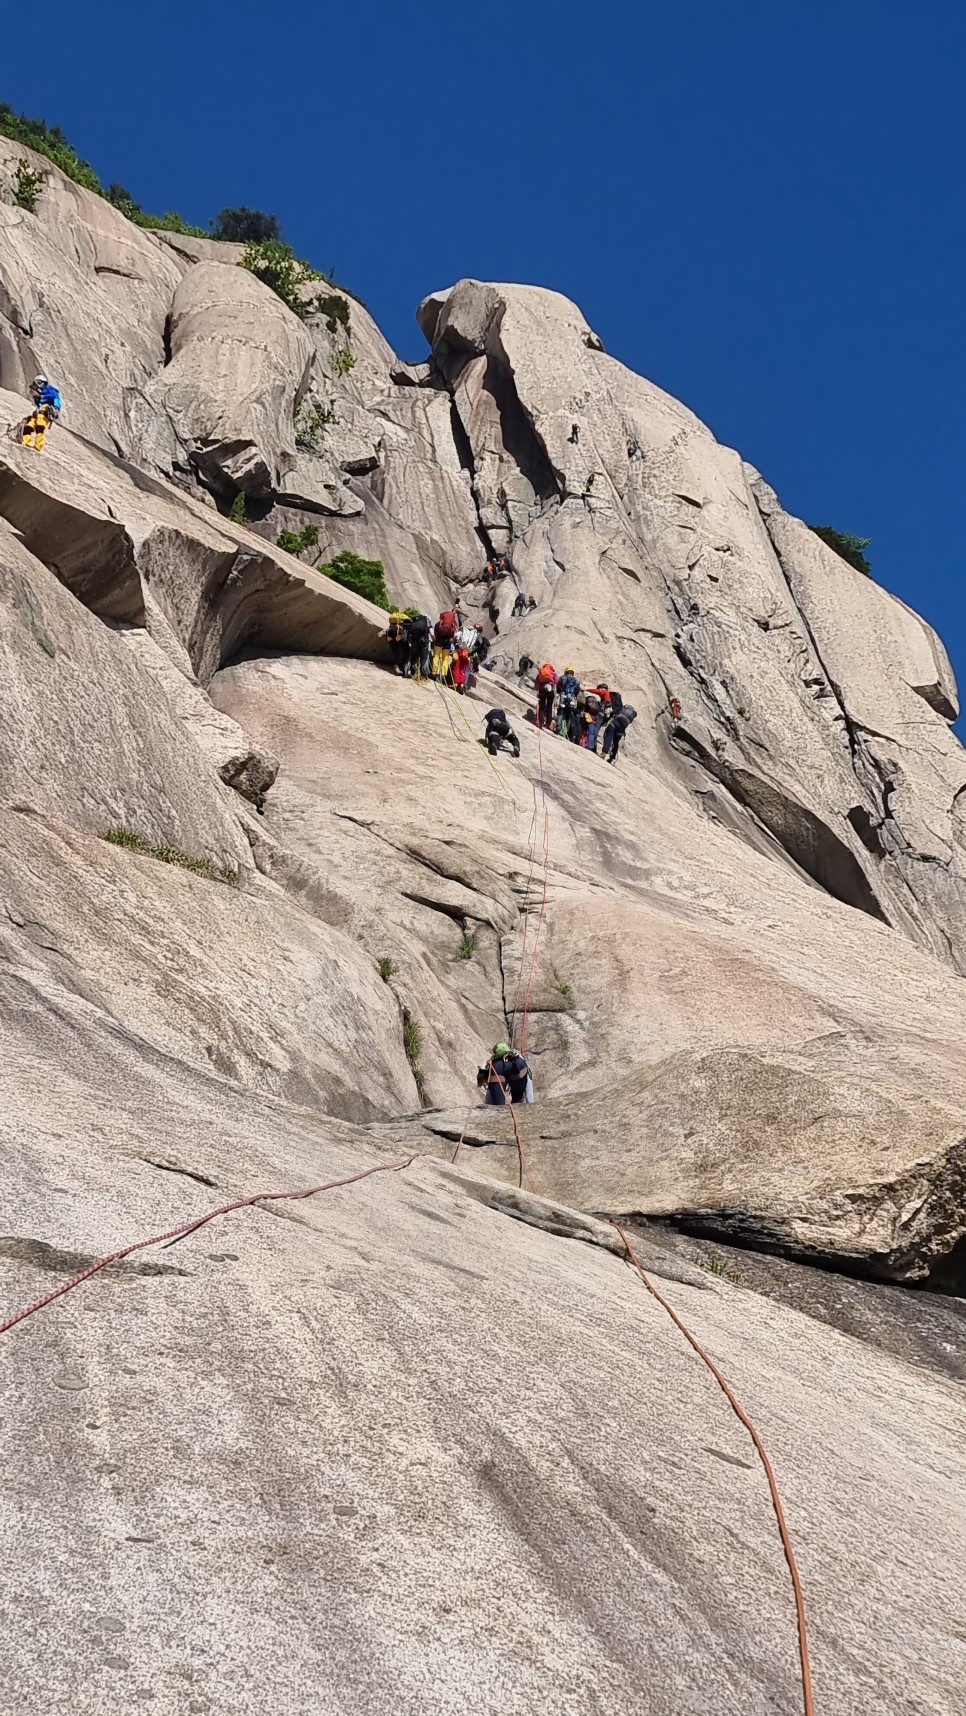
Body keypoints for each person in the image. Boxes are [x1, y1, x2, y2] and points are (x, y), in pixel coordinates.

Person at [21, 374, 62, 451]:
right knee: (28, 427)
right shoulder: (42, 393)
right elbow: (39, 403)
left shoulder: (49, 389)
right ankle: (26, 442)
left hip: (44, 412)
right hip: (38, 412)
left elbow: (53, 395)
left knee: (40, 428)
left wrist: (41, 397)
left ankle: (38, 446)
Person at [555, 667, 581, 740]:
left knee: (560, 712)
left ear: (566, 672)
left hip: (563, 696)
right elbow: (577, 691)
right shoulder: (576, 681)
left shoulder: (562, 677)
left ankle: (558, 727)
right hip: (571, 698)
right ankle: (566, 730)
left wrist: (560, 692)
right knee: (568, 715)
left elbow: (558, 686)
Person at [385, 611, 411, 675]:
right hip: (398, 633)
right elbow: (404, 639)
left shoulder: (391, 627)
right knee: (406, 648)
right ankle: (404, 667)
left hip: (389, 634)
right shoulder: (400, 627)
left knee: (395, 651)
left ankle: (396, 668)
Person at [407, 612, 431, 678]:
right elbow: (432, 634)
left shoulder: (414, 623)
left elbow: (409, 634)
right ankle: (423, 675)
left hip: (414, 642)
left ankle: (412, 673)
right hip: (424, 643)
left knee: (413, 658)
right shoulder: (427, 623)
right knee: (423, 659)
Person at [535, 662, 557, 730]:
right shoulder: (552, 673)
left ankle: (541, 723)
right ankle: (548, 723)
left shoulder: (541, 672)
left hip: (542, 688)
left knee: (542, 706)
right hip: (550, 688)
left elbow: (537, 682)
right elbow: (556, 682)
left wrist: (537, 688)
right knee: (549, 706)